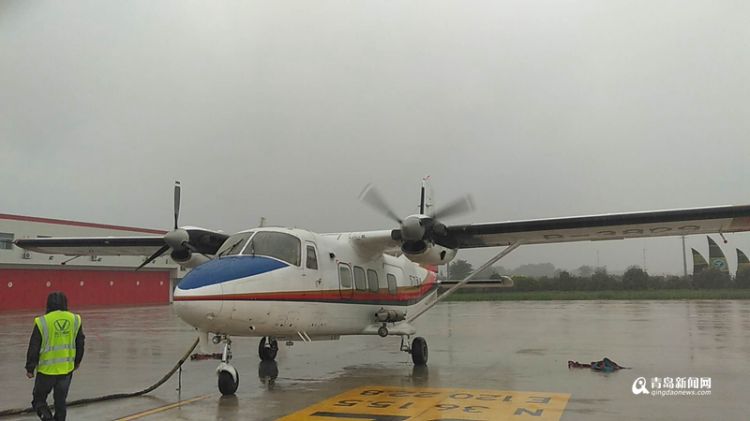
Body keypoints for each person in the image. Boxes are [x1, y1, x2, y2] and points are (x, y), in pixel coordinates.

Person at [25, 292, 85, 421]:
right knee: (60, 402)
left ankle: (47, 418)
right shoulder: (75, 319)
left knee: (38, 400)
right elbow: (80, 342)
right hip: (66, 370)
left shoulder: (43, 321)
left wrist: (30, 368)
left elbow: (34, 346)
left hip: (46, 371)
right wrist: (78, 361)